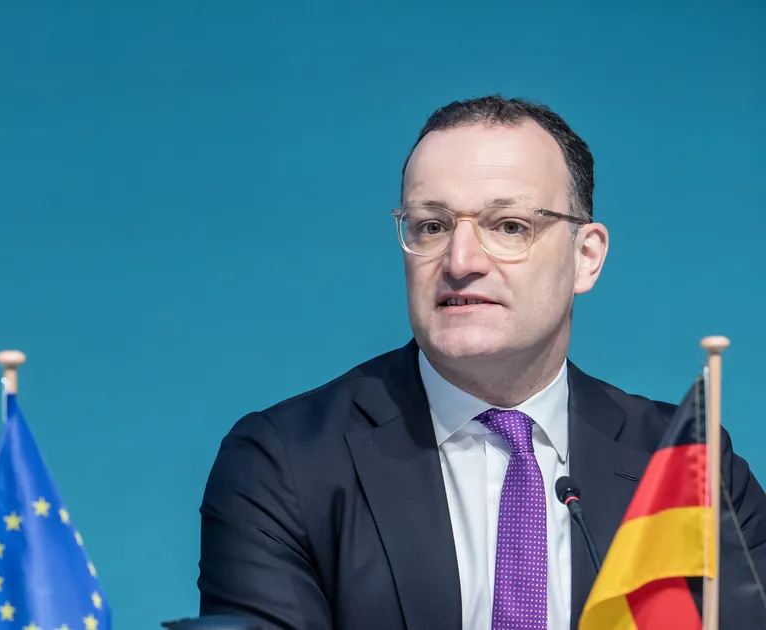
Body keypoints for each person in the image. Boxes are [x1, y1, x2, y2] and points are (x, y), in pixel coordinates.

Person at [196, 95, 766, 629]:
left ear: (586, 257)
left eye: (509, 226)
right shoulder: (285, 463)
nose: (460, 260)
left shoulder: (690, 469)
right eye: (432, 226)